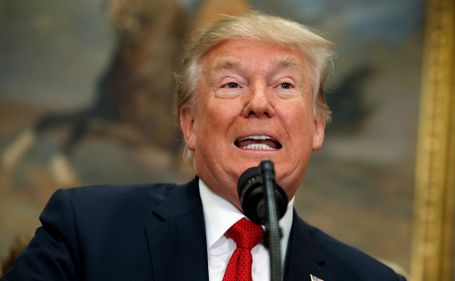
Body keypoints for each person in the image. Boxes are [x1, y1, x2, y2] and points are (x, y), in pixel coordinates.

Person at [2, 11, 406, 281]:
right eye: (232, 84)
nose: (259, 103)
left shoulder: (367, 278)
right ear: (190, 125)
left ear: (317, 128)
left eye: (285, 85)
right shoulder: (86, 229)